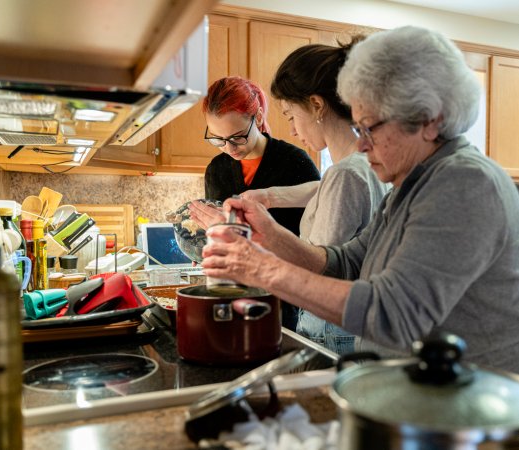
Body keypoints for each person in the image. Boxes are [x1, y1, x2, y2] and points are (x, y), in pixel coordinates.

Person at [200, 25, 519, 373]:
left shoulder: (464, 184)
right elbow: (346, 263)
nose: (362, 145)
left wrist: (261, 268)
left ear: (430, 119)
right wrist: (271, 238)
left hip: (464, 413)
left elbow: (392, 313)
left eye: (371, 128)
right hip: (412, 397)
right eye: (358, 128)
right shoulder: (411, 185)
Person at [237, 42, 389, 355]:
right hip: (349, 326)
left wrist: (248, 250)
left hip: (330, 330)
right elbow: (318, 189)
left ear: (317, 105)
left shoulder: (345, 173)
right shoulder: (363, 165)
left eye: (291, 116)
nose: (291, 130)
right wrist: (268, 196)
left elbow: (316, 263)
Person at [201, 76, 321, 330]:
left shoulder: (294, 162)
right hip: (233, 293)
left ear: (256, 117)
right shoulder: (217, 169)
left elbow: (315, 241)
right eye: (218, 139)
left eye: (236, 137)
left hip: (286, 297)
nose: (229, 148)